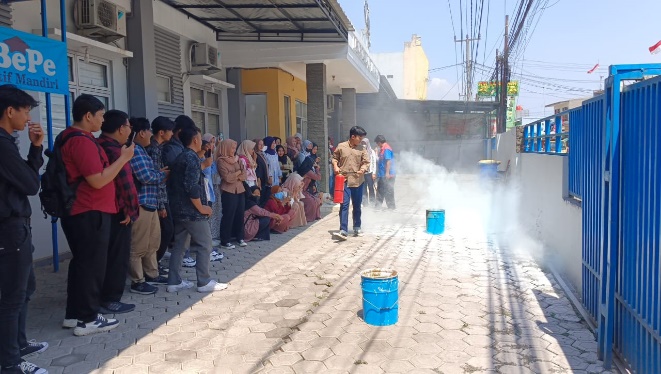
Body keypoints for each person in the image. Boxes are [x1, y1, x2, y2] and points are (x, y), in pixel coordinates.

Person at [60, 94, 134, 336]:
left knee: (82, 264)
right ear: (88, 116)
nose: (102, 121)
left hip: (86, 210)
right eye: (100, 116)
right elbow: (97, 179)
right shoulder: (80, 142)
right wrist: (123, 158)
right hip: (89, 210)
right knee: (92, 266)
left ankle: (74, 315)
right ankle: (88, 319)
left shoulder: (72, 138)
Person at [0, 85, 48, 374]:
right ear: (9, 111)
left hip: (17, 227)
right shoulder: (2, 145)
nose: (28, 117)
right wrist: (36, 149)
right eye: (26, 110)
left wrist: (36, 147)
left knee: (25, 287)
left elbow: (28, 179)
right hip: (9, 229)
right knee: (12, 295)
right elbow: (31, 184)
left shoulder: (8, 141)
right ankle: (10, 362)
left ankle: (18, 343)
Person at [166, 126, 228, 293]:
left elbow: (188, 175)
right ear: (195, 140)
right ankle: (204, 281)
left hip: (178, 210)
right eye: (200, 138)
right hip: (192, 212)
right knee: (205, 245)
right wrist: (202, 208)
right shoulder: (191, 159)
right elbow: (192, 186)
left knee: (179, 246)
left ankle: (174, 281)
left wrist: (204, 161)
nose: (202, 142)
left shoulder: (183, 156)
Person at [96, 111, 141, 312]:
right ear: (121, 128)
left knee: (109, 256)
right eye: (129, 127)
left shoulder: (101, 145)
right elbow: (124, 184)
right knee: (117, 257)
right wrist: (131, 209)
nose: (130, 131)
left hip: (108, 209)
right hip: (119, 212)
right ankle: (111, 298)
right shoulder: (116, 151)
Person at [128, 118, 169, 294]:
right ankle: (137, 281)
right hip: (141, 204)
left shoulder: (143, 151)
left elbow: (150, 173)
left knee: (153, 243)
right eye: (149, 131)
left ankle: (152, 274)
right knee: (138, 246)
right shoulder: (135, 151)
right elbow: (146, 177)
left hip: (151, 204)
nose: (151, 135)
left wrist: (158, 174)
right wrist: (163, 175)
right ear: (141, 133)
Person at [146, 117, 174, 273]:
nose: (172, 134)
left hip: (161, 197)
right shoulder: (153, 150)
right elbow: (156, 178)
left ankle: (155, 263)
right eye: (169, 131)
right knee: (165, 231)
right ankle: (152, 264)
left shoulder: (159, 148)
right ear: (161, 132)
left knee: (165, 231)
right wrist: (161, 205)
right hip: (157, 199)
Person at [332, 126, 369, 240]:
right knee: (344, 205)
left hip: (358, 181)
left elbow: (366, 162)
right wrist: (335, 166)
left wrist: (362, 169)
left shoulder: (362, 148)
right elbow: (334, 158)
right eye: (360, 137)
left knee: (357, 205)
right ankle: (343, 230)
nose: (361, 140)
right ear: (353, 136)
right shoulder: (341, 146)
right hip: (344, 180)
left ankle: (357, 227)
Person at [217, 139, 247, 249]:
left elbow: (245, 175)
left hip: (240, 190)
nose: (234, 150)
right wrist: (238, 172)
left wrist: (237, 175)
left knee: (240, 214)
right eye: (232, 148)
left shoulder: (237, 159)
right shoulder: (221, 161)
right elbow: (227, 178)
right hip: (228, 191)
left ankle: (239, 237)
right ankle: (225, 240)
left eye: (235, 148)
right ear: (226, 148)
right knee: (228, 215)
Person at [200, 134, 223, 262]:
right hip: (204, 190)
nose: (212, 145)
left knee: (212, 215)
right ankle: (206, 248)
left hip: (211, 189)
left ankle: (209, 243)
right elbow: (207, 173)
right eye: (211, 143)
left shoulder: (211, 157)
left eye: (214, 143)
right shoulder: (202, 157)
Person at [373, 135, 396, 210]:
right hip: (382, 174)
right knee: (380, 190)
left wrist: (387, 173)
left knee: (389, 191)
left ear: (379, 142)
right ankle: (378, 207)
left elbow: (388, 161)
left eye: (377, 143)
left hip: (388, 174)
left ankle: (391, 208)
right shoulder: (382, 149)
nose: (377, 145)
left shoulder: (387, 149)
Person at [361, 138, 377, 206]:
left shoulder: (371, 152)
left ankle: (372, 202)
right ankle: (365, 203)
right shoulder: (360, 151)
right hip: (363, 173)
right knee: (363, 188)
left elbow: (374, 162)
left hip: (370, 173)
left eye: (365, 143)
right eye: (362, 143)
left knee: (371, 187)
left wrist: (374, 172)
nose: (363, 145)